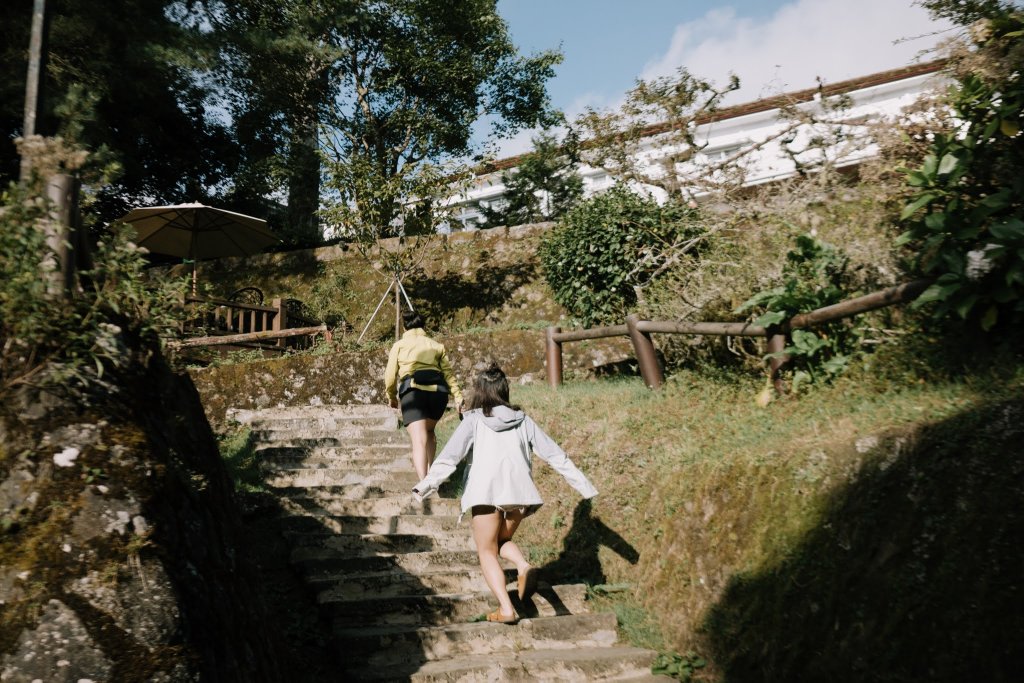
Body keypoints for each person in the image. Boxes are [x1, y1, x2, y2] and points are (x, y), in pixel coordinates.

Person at [412, 363, 598, 624]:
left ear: (480, 392)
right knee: (498, 543)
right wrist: (585, 486)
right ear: (504, 391)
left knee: (486, 551)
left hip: (485, 494)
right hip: (519, 496)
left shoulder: (473, 420)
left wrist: (424, 486)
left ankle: (506, 608)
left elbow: (449, 458)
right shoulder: (524, 420)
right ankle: (523, 565)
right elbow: (555, 455)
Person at [384, 310, 464, 480]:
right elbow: (448, 373)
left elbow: (390, 376)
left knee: (419, 439)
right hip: (438, 394)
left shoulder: (399, 345)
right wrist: (457, 396)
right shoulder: (436, 345)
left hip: (413, 392)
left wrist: (391, 397)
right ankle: (431, 474)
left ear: (405, 327)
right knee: (429, 432)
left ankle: (424, 482)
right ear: (423, 327)